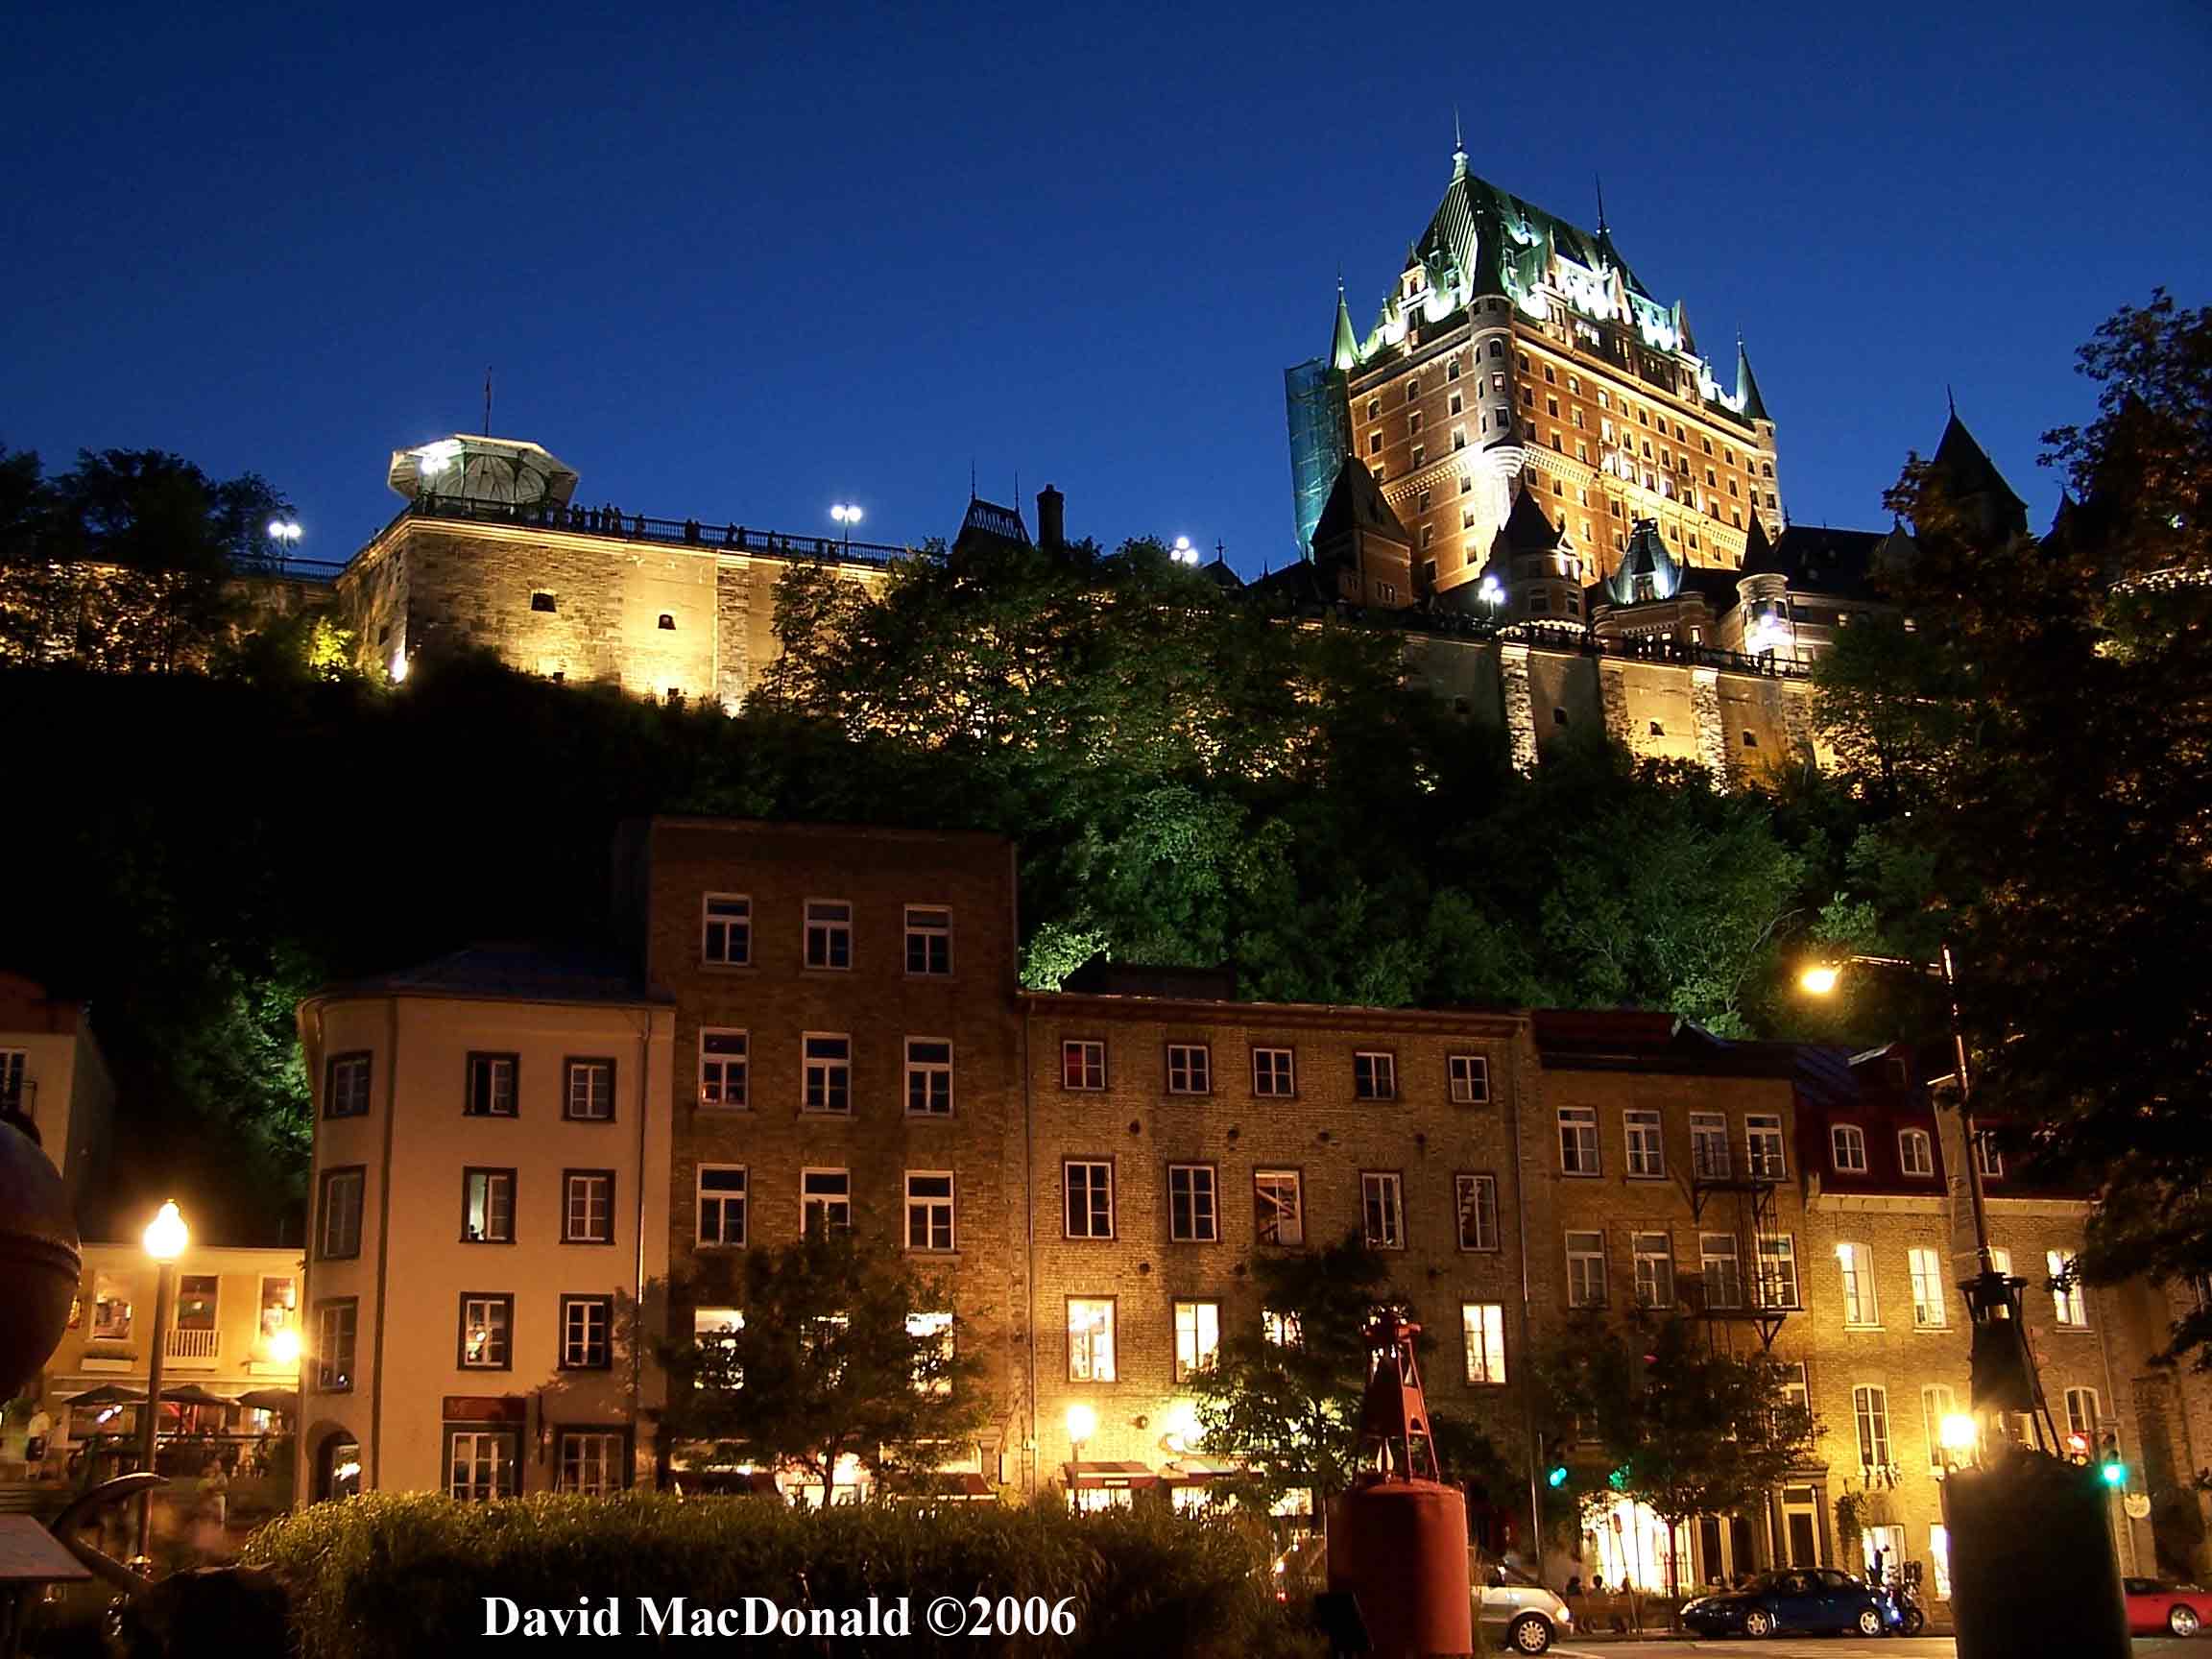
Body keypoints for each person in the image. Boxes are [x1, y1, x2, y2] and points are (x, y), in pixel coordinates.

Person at [24, 1407, 51, 1472]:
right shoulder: (35, 1417)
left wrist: (41, 1440)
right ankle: (30, 1473)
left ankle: (35, 1473)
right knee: (29, 1457)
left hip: (38, 1439)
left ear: (39, 1408)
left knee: (36, 1458)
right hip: (32, 1439)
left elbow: (45, 1430)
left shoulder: (44, 1418)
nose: (33, 1409)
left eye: (34, 1408)